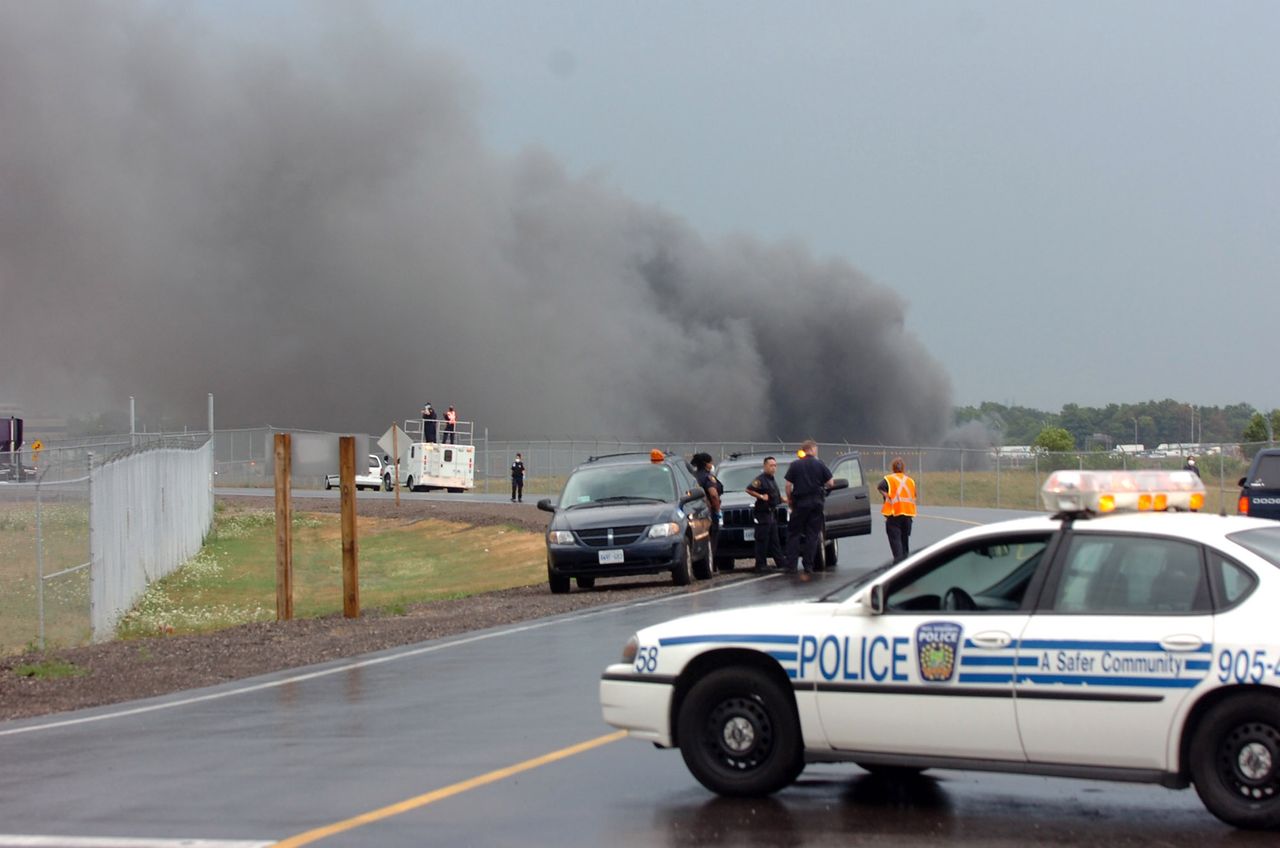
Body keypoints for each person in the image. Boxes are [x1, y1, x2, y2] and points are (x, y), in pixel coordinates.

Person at [784, 440, 835, 574]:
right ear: (811, 449)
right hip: (816, 503)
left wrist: (790, 500)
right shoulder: (819, 464)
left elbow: (788, 485)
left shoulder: (795, 465)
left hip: (800, 503)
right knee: (812, 535)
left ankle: (792, 566)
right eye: (816, 449)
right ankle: (808, 565)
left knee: (794, 534)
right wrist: (823, 489)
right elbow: (831, 482)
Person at [745, 456, 785, 571]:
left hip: (771, 513)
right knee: (762, 539)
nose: (773, 468)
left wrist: (784, 499)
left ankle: (780, 563)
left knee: (774, 540)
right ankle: (761, 565)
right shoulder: (760, 479)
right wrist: (761, 496)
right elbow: (748, 489)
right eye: (771, 465)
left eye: (775, 465)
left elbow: (774, 495)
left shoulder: (772, 479)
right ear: (765, 466)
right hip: (762, 514)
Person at [877, 456, 917, 563]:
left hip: (894, 515)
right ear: (903, 468)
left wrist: (887, 496)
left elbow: (880, 487)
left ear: (893, 468)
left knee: (896, 544)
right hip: (908, 516)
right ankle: (906, 566)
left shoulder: (890, 479)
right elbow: (914, 495)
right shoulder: (910, 481)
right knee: (905, 544)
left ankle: (898, 567)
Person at [691, 452, 723, 565]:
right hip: (709, 512)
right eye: (711, 462)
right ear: (706, 464)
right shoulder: (707, 477)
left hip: (696, 511)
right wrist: (718, 511)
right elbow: (713, 495)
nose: (712, 465)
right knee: (712, 538)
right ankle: (711, 565)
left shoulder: (692, 476)